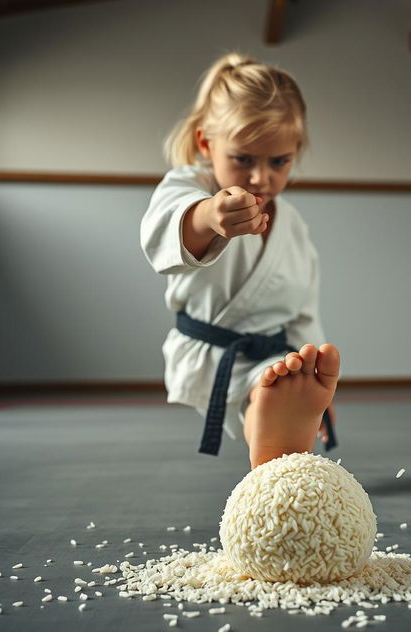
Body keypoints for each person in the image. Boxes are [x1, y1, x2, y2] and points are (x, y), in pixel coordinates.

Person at [140, 51, 337, 468]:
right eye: (243, 159)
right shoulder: (189, 186)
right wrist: (208, 217)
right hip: (206, 350)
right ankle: (268, 408)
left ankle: (275, 417)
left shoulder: (294, 228)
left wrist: (313, 385)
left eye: (278, 161)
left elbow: (304, 310)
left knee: (272, 384)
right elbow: (161, 235)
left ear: (295, 151)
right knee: (261, 385)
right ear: (205, 143)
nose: (260, 178)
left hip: (271, 357)